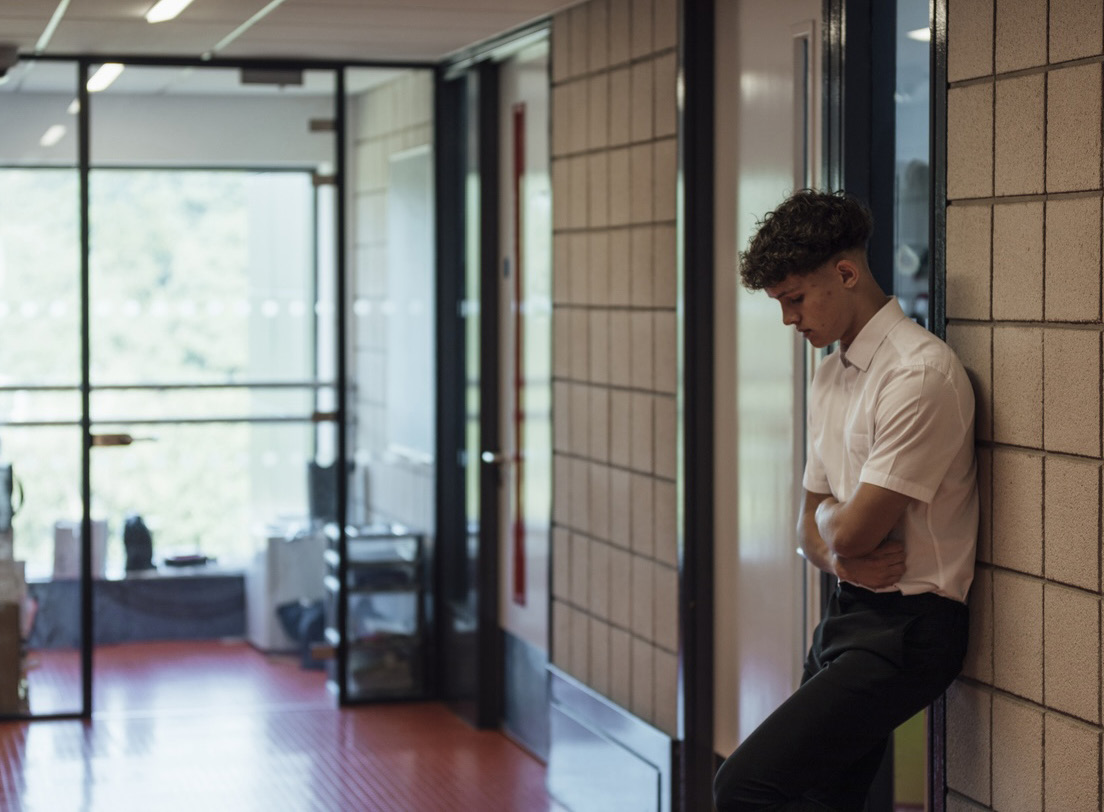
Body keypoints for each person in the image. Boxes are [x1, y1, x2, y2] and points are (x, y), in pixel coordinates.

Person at [713, 189, 978, 811]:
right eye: (780, 304)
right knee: (822, 800)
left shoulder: (920, 375)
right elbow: (810, 529)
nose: (788, 319)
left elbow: (849, 532)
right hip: (847, 612)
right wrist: (834, 547)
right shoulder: (831, 375)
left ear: (846, 273)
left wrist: (834, 534)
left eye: (795, 299)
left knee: (745, 787)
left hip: (912, 630)